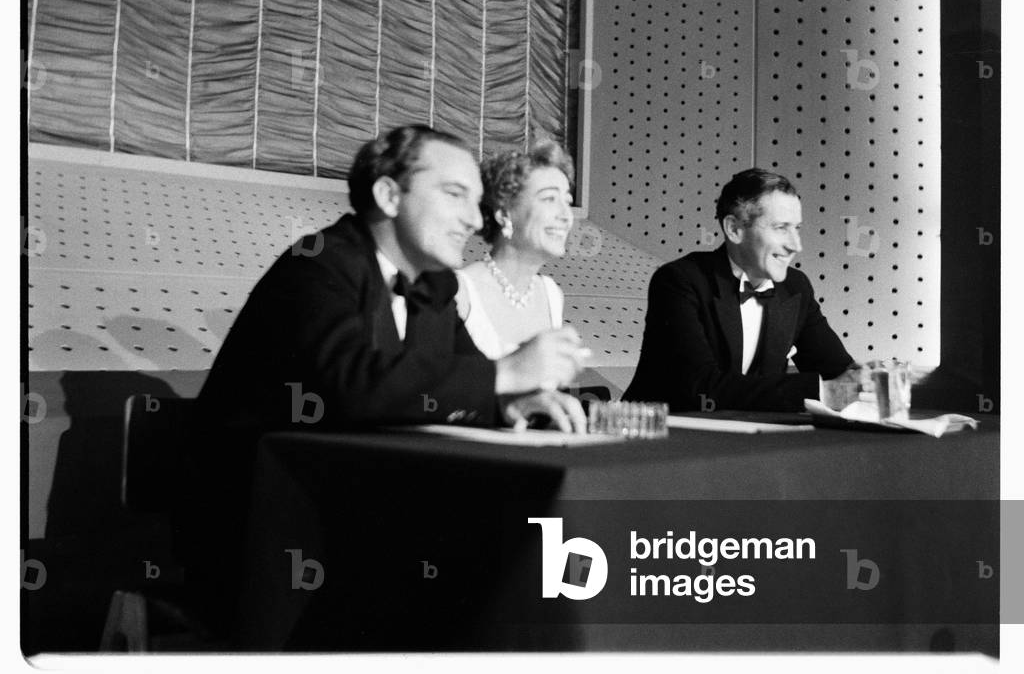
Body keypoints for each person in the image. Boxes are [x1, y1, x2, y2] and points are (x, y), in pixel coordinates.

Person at [181, 125, 587, 635]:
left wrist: (509, 404)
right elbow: (350, 386)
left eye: (476, 200)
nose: (472, 218)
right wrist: (506, 373)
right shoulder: (317, 264)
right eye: (454, 194)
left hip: (367, 518)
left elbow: (453, 381)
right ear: (389, 195)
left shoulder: (434, 286)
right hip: (264, 533)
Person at [624, 168, 870, 413]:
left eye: (797, 228)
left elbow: (837, 371)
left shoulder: (796, 287)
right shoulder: (679, 281)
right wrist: (823, 392)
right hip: (658, 432)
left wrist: (867, 379)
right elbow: (700, 387)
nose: (796, 245)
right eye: (781, 228)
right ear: (734, 229)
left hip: (752, 434)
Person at [456, 140, 579, 361]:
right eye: (549, 199)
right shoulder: (460, 292)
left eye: (568, 201)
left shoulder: (552, 294)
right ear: (504, 214)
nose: (565, 215)